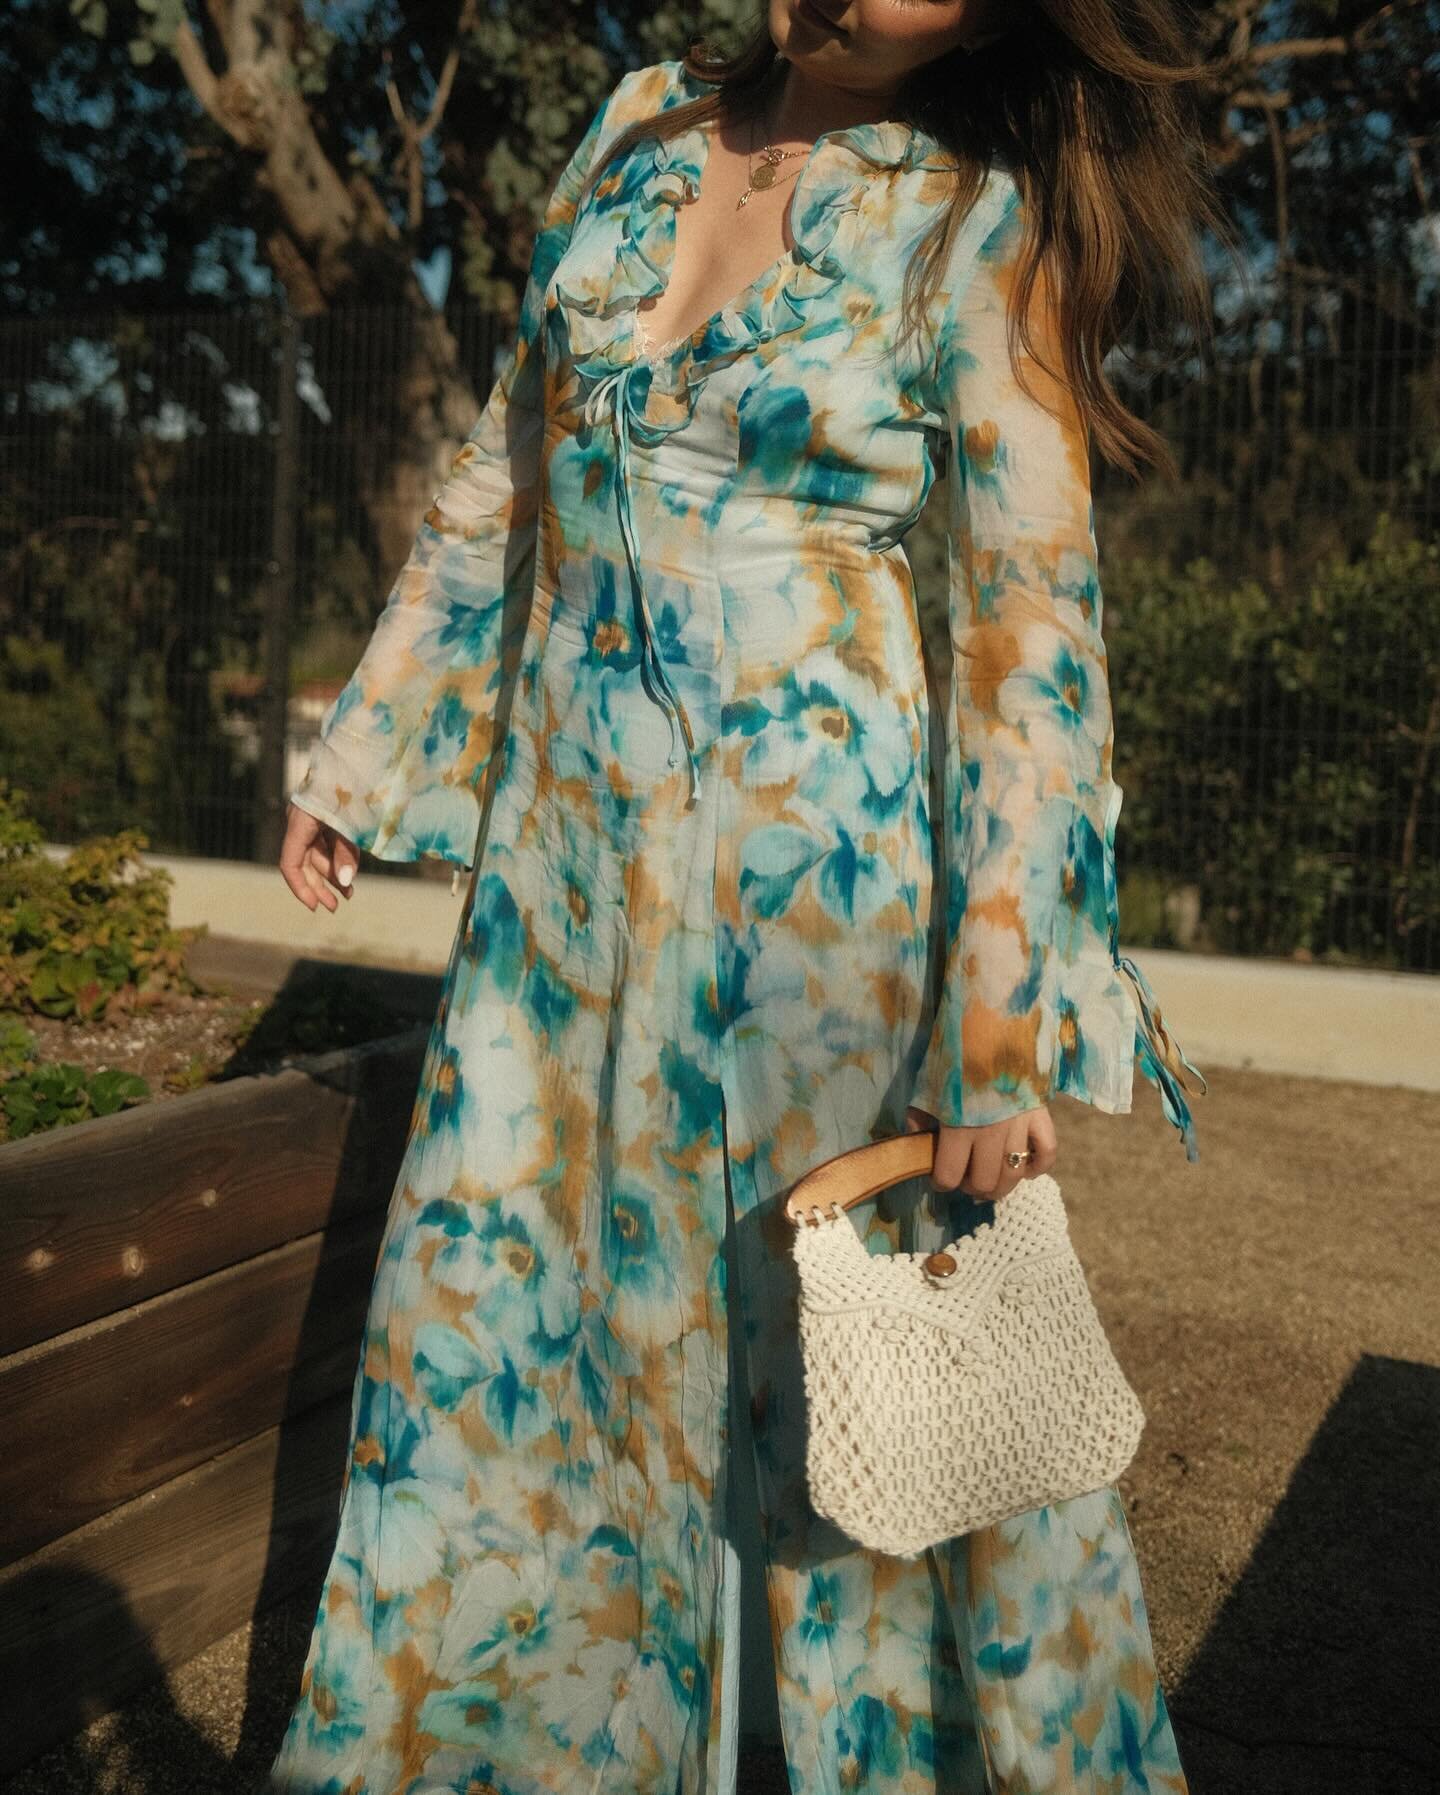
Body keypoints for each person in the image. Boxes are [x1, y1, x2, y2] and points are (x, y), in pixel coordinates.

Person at [270, 0, 1221, 1786]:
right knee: (515, 1333)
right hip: (561, 887)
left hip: (827, 915)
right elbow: (507, 465)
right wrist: (368, 742)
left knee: (858, 1417)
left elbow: (1032, 643)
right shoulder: (635, 122)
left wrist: (1001, 1023)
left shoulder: (975, 217)